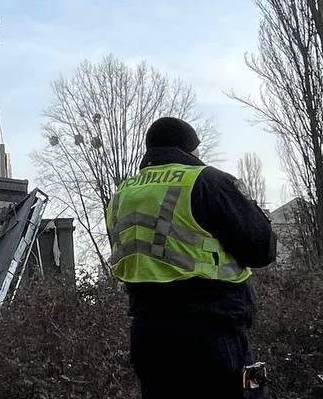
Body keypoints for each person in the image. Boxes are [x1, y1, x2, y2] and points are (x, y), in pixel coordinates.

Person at [105, 117, 277, 398]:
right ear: (189, 150)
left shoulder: (123, 194)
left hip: (147, 333)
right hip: (209, 329)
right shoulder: (206, 181)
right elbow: (261, 248)